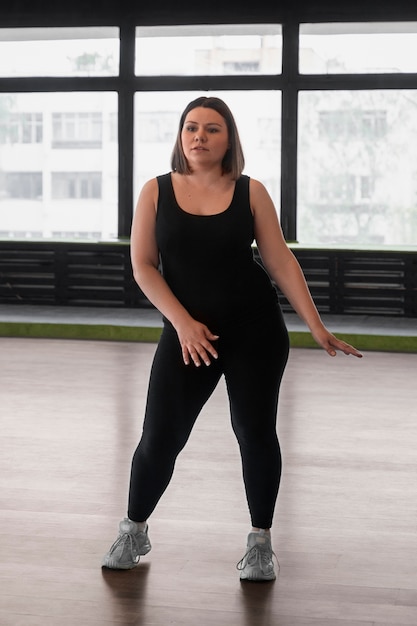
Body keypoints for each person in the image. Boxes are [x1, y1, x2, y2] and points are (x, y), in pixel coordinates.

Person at [102, 96, 362, 581]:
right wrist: (182, 322)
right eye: (191, 127)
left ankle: (260, 543)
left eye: (212, 129)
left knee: (255, 433)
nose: (199, 136)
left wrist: (316, 325)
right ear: (181, 136)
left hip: (255, 332)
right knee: (160, 438)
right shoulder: (156, 191)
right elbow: (142, 265)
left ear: (229, 139)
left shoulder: (251, 191)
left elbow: (280, 259)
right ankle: (133, 529)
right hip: (186, 335)